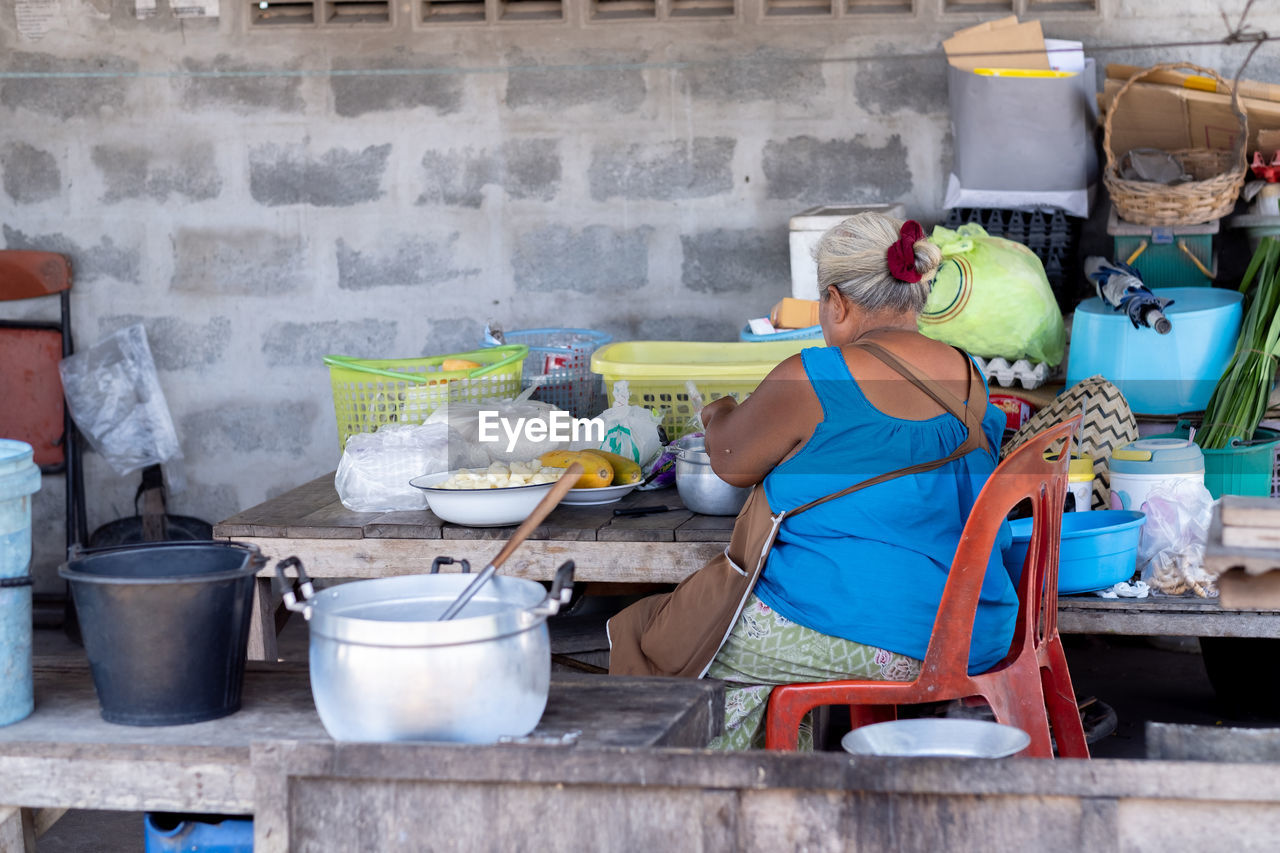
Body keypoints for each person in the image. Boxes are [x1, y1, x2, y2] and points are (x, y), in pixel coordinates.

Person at [695, 212, 1013, 750]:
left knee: (694, 652)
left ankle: (737, 814)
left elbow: (731, 462)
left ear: (837, 302)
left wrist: (718, 416)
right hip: (977, 627)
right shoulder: (967, 372)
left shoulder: (816, 375)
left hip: (878, 631)